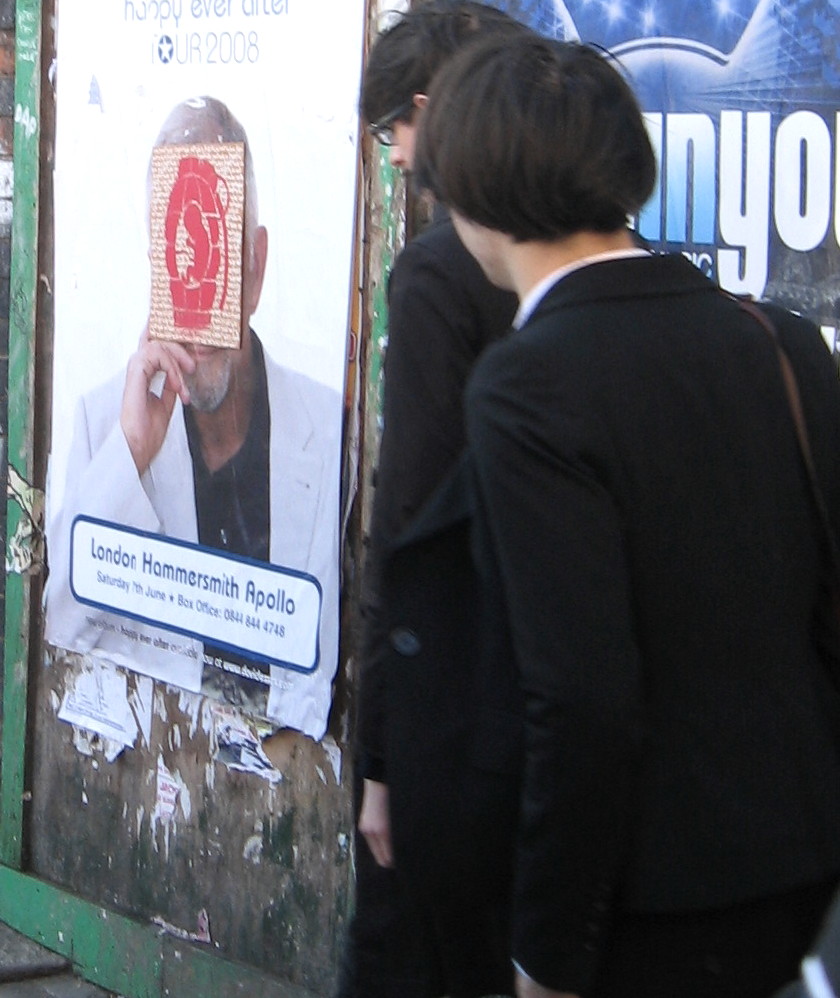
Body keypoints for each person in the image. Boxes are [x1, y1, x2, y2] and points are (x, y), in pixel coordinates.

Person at [413, 33, 840, 998]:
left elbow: (580, 697)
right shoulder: (774, 338)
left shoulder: (526, 384)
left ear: (477, 191)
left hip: (647, 899)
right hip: (800, 865)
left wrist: (548, 953)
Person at [45, 96, 341, 740]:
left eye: (219, 251)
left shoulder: (331, 432)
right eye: (178, 251)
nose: (197, 280)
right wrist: (130, 449)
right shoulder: (106, 422)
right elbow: (62, 625)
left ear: (255, 269)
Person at [340, 4, 525, 996]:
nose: (400, 162)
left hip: (449, 722)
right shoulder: (590, 268)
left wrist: (381, 763)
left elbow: (406, 525)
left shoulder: (439, 274)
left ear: (426, 110)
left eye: (394, 137)